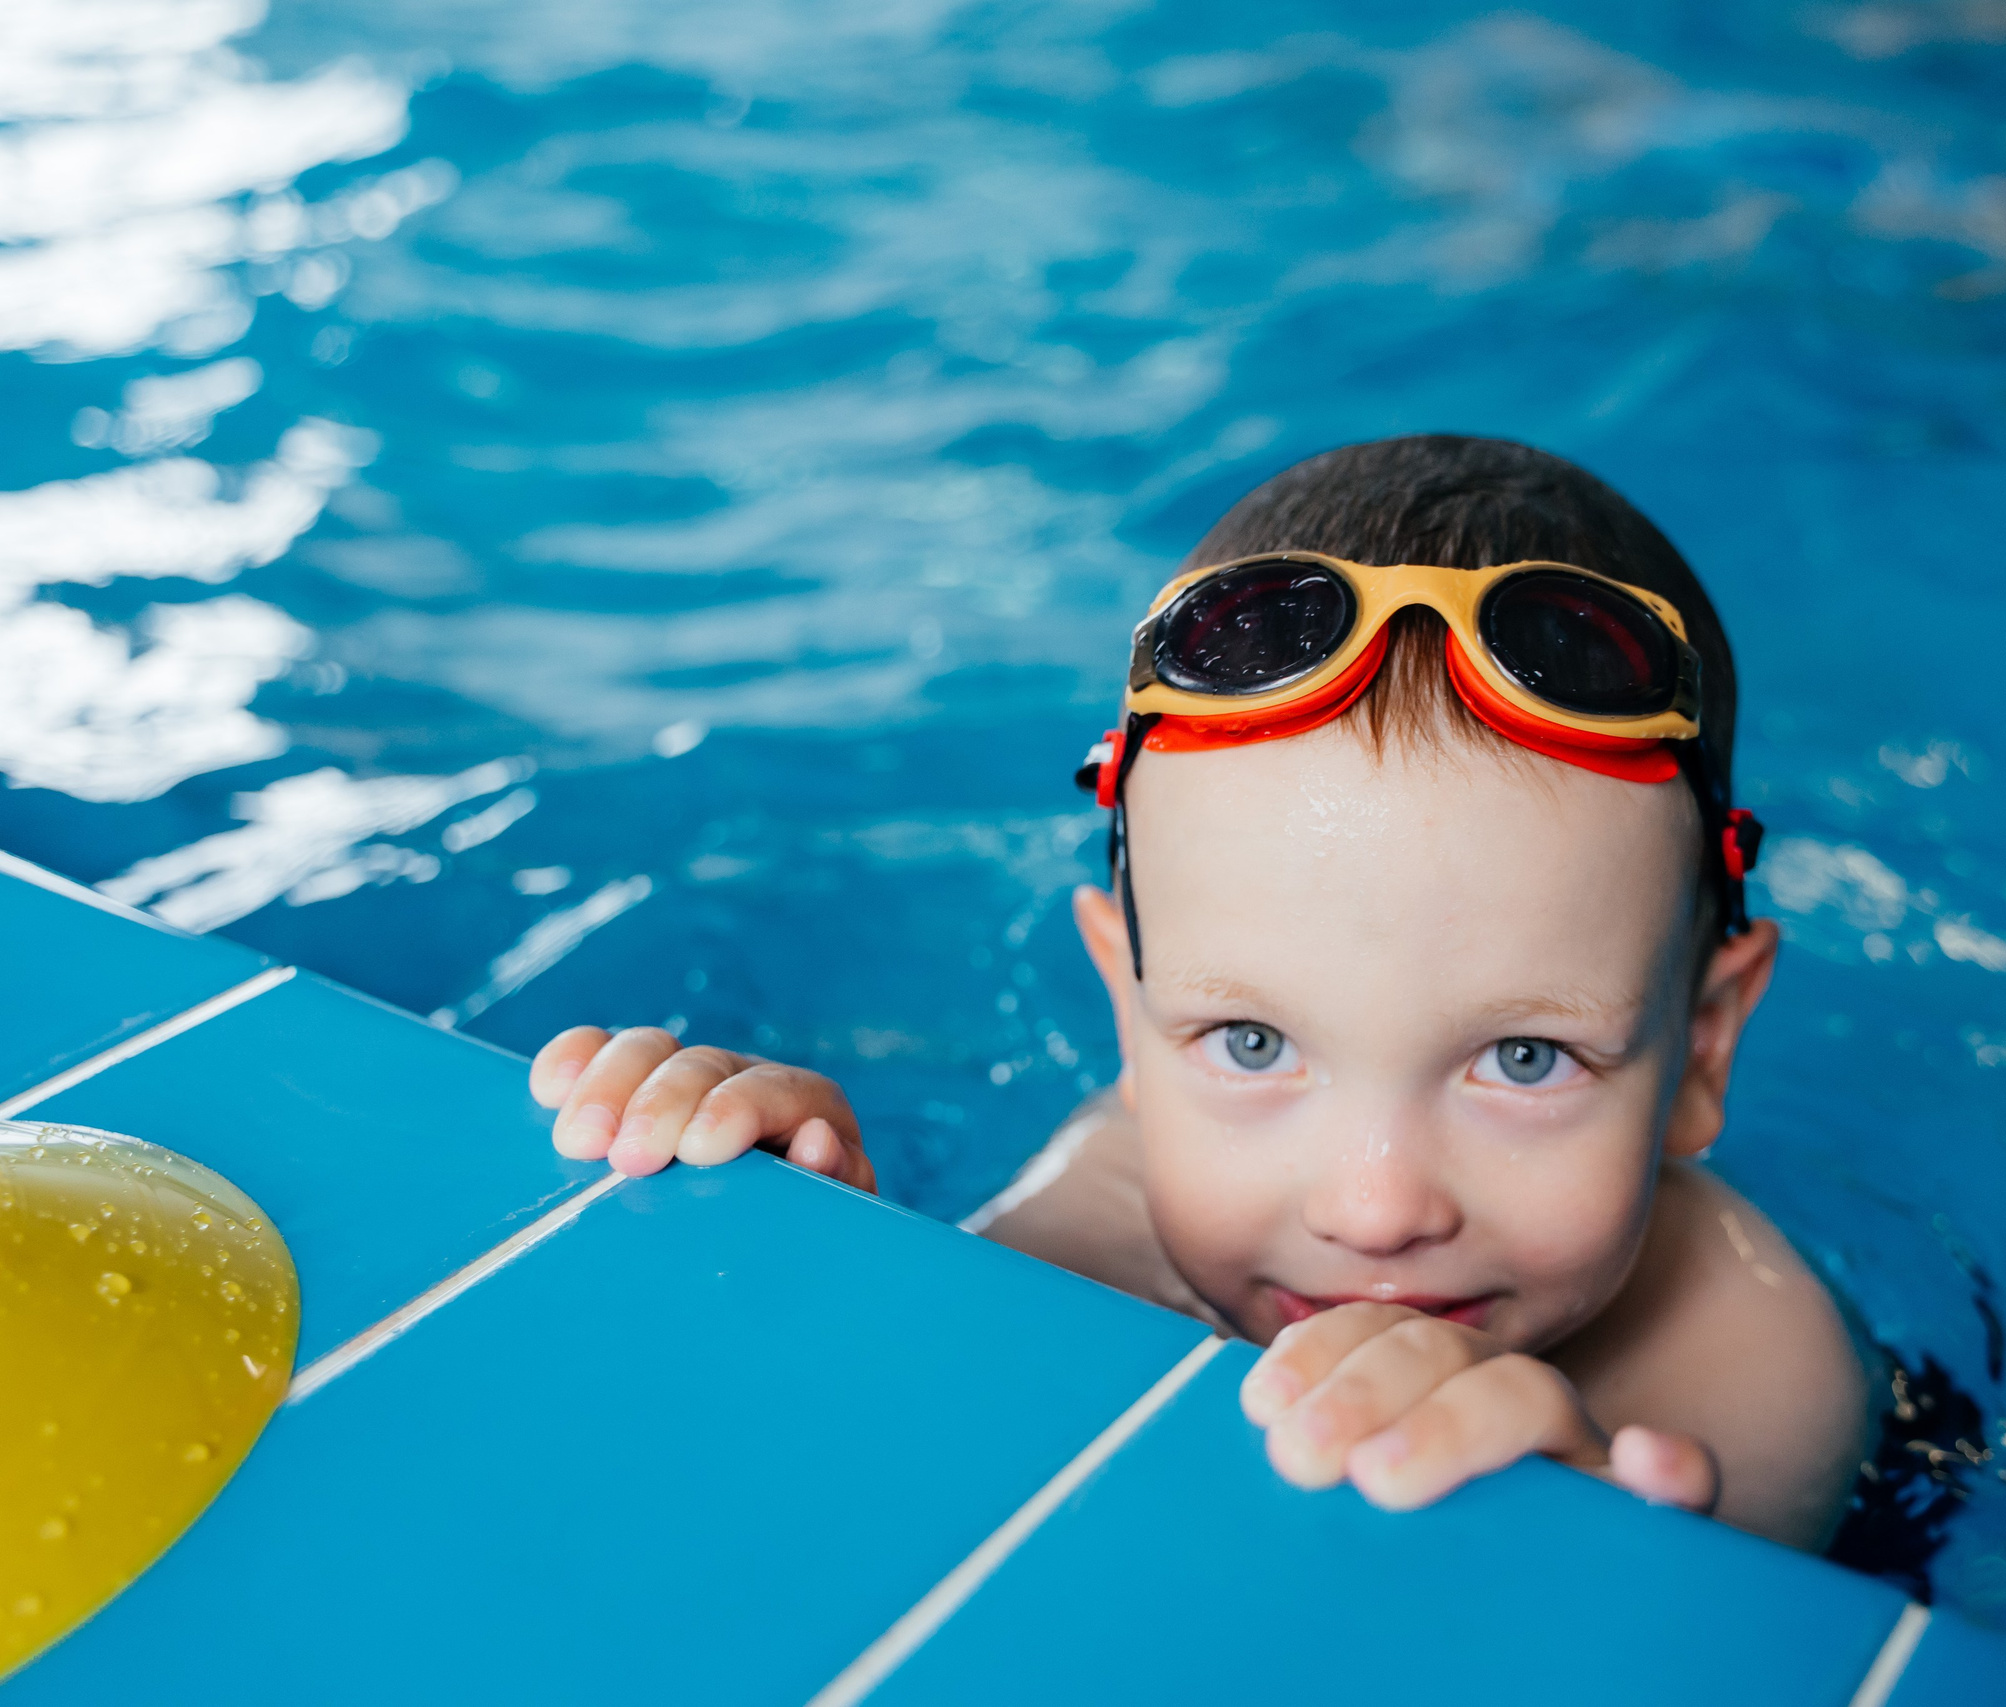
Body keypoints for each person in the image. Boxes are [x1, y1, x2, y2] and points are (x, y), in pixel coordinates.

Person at [527, 436, 1875, 1550]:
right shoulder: (1110, 1208)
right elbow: (878, 1474)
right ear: (1128, 1010)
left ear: (1702, 1045)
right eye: (1249, 1040)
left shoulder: (1754, 1378)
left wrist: (1577, 1556)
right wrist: (803, 1255)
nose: (1377, 1209)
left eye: (1524, 1060)